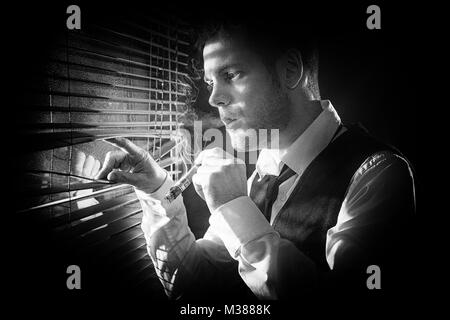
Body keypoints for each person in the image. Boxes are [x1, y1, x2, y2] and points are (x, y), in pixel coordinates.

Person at [94, 16, 416, 300]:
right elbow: (195, 287)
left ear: (290, 70)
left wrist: (234, 205)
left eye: (230, 74)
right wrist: (158, 190)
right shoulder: (262, 170)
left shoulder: (379, 175)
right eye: (210, 82)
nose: (214, 98)